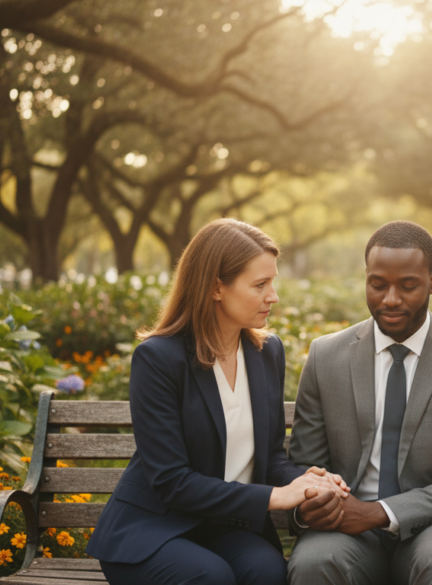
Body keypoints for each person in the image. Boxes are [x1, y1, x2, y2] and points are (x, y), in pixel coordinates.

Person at [87, 219, 346, 585]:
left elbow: (270, 456)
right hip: (152, 529)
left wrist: (307, 482)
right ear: (215, 288)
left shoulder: (266, 351)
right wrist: (276, 496)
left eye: (273, 282)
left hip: (223, 529)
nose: (273, 296)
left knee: (269, 571)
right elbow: (172, 481)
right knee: (211, 577)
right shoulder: (159, 359)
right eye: (260, 284)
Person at [286, 220, 432, 585]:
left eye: (408, 286)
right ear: (366, 278)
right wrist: (314, 501)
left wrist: (377, 513)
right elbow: (307, 463)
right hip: (346, 527)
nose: (390, 299)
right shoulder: (326, 356)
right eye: (377, 284)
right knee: (314, 562)